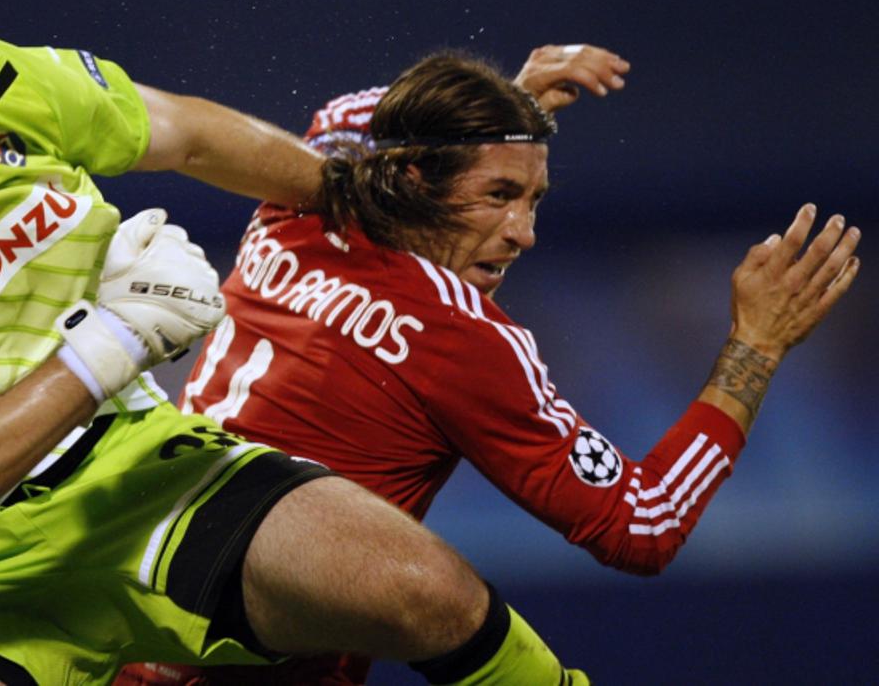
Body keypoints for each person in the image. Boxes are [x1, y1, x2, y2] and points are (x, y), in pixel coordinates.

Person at [0, 0, 591, 686]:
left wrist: (357, 199)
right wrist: (112, 342)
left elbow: (190, 134)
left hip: (139, 473)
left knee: (424, 591)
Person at [116, 45, 861, 685]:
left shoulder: (306, 195)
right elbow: (645, 524)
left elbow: (370, 117)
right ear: (414, 179)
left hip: (117, 611)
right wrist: (755, 346)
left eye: (533, 198)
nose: (524, 233)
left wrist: (513, 100)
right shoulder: (463, 338)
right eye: (498, 196)